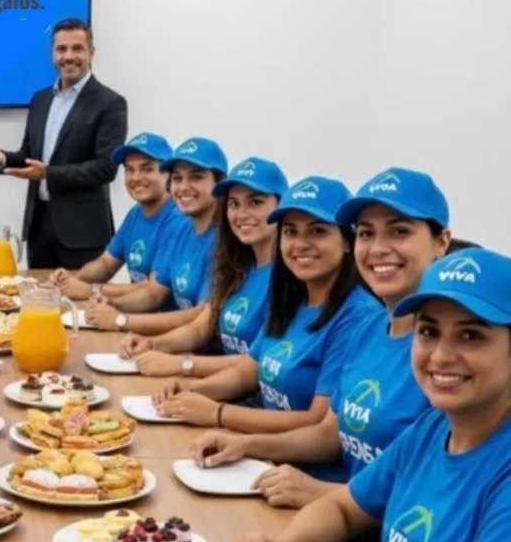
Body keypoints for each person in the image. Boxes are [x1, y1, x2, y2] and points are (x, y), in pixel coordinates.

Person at [230, 249, 511, 542]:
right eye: (428, 332)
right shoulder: (432, 426)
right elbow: (343, 506)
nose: (441, 355)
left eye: (471, 335)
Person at [188, 168, 451, 510]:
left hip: (369, 533)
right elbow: (330, 434)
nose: (378, 249)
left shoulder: (445, 357)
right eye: (367, 233)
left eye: (399, 231)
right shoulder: (369, 328)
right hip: (329, 505)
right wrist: (244, 443)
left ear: (441, 242)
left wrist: (324, 495)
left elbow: (443, 494)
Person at [154, 176, 381, 438]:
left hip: (289, 463)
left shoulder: (358, 316)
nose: (301, 243)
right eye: (290, 231)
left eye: (318, 231)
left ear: (347, 241)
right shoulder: (291, 295)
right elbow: (248, 370)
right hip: (257, 446)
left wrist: (218, 413)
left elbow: (317, 421)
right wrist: (190, 389)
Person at [0, 17, 128, 269]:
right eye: (61, 49)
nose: (69, 56)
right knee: (37, 303)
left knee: (82, 306)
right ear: (52, 53)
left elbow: (106, 167)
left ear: (92, 53)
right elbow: (30, 154)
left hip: (83, 234)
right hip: (40, 228)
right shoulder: (41, 99)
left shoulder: (110, 103)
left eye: (77, 48)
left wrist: (48, 173)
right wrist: (4, 158)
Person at [117, 157, 288, 377]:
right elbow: (201, 327)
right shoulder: (236, 264)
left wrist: (183, 365)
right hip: (219, 383)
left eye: (255, 202)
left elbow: (257, 364)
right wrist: (152, 344)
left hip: (241, 395)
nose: (242, 214)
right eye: (234, 204)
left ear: (281, 208)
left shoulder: (289, 279)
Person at [85, 137, 228, 331]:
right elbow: (154, 292)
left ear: (220, 183)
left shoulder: (227, 241)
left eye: (196, 177)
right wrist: (111, 305)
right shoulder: (182, 229)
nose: (184, 187)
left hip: (194, 354)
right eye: (178, 178)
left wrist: (121, 320)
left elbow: (200, 317)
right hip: (172, 344)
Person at [51, 132, 179, 300]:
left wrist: (93, 290)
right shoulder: (135, 214)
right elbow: (105, 265)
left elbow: (151, 288)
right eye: (129, 170)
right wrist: (71, 281)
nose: (136, 178)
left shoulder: (178, 220)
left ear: (168, 173)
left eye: (147, 169)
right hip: (133, 314)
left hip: (160, 321)